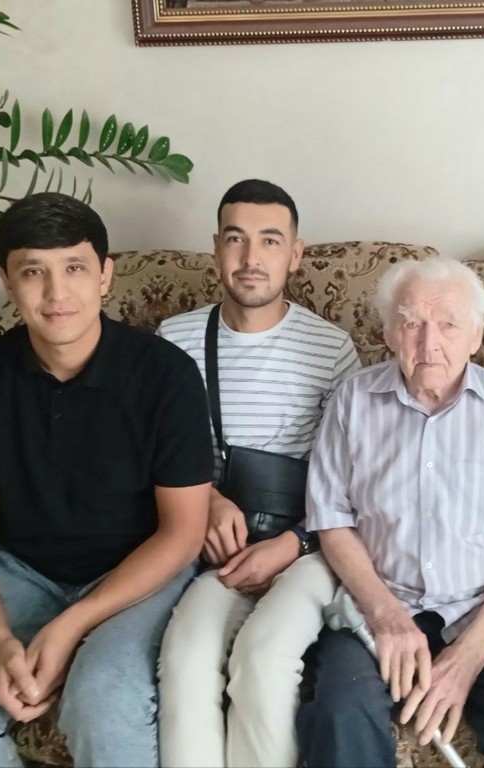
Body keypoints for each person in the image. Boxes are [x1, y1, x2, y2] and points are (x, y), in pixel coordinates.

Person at [0, 193, 214, 767]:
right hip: (22, 570)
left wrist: (74, 625)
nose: (57, 292)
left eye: (74, 268)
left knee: (103, 701)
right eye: (33, 272)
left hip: (142, 571)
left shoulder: (166, 373)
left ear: (104, 275)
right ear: (6, 281)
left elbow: (184, 532)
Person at [296, 256, 484, 768]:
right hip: (381, 599)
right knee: (340, 711)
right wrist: (385, 616)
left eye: (448, 324)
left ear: (477, 335)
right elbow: (332, 521)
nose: (429, 343)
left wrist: (466, 659)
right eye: (411, 323)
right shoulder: (352, 401)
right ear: (388, 331)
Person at [156, 179, 360, 767]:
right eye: (236, 239)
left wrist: (293, 543)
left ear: (295, 254)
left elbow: (354, 478)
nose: (251, 258)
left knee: (264, 661)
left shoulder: (331, 349)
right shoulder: (174, 340)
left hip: (308, 545)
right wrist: (206, 501)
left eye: (270, 241)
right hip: (212, 543)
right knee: (187, 659)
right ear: (216, 247)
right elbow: (151, 452)